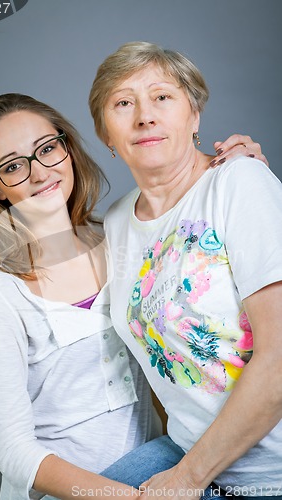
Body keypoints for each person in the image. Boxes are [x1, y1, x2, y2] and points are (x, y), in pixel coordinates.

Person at [0, 92, 265, 500]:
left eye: (48, 149)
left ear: (67, 150)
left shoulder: (123, 236)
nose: (39, 173)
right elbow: (13, 452)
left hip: (159, 470)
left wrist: (236, 170)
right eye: (13, 166)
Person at [88, 41, 282, 499]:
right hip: (188, 452)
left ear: (194, 114)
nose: (144, 116)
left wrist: (187, 480)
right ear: (106, 136)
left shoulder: (240, 182)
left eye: (162, 96)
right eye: (123, 103)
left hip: (268, 472)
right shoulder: (115, 223)